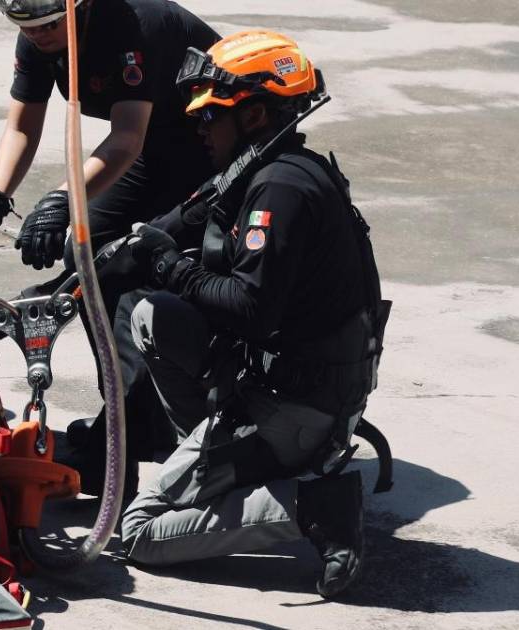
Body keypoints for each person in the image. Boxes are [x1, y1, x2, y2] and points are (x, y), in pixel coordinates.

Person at [111, 31, 388, 598]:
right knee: (150, 316)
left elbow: (248, 309)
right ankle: (216, 469)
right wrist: (95, 258)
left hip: (296, 406)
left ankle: (316, 505)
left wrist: (171, 269)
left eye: (211, 116)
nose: (200, 129)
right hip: (297, 386)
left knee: (140, 533)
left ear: (255, 113)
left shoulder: (279, 190)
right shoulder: (267, 167)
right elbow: (170, 227)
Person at [0, 0, 222, 495]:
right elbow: (22, 124)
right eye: (26, 26)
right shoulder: (39, 35)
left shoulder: (127, 27)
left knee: (128, 273)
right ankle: (126, 425)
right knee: (89, 249)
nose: (40, 34)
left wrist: (59, 199)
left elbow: (125, 140)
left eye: (51, 24)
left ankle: (129, 434)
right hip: (158, 141)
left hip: (211, 148)